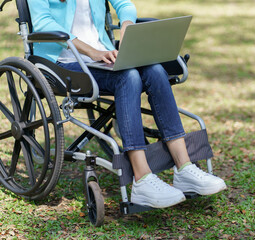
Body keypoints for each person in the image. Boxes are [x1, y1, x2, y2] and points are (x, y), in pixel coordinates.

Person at [28, 0, 226, 208]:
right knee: (128, 76)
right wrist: (92, 52)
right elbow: (43, 23)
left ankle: (184, 167)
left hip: (102, 56)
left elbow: (124, 4)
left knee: (155, 70)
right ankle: (141, 178)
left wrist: (127, 27)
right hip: (61, 64)